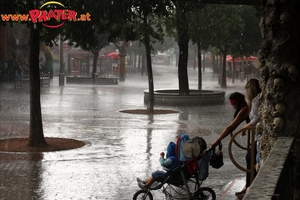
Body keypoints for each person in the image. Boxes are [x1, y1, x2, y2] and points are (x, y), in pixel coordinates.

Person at [236, 78, 262, 199]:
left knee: (251, 158)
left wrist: (244, 128)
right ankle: (249, 185)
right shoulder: (254, 101)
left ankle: (250, 186)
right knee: (250, 158)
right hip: (258, 136)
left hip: (260, 137)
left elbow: (256, 119)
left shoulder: (256, 100)